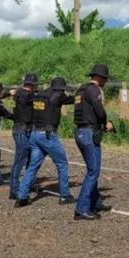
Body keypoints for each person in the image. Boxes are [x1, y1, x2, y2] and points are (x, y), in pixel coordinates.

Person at [16, 77, 76, 208]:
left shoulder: (38, 95)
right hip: (48, 135)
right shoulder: (57, 96)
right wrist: (82, 94)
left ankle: (21, 195)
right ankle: (65, 195)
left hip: (35, 134)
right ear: (59, 89)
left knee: (32, 167)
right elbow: (74, 100)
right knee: (62, 164)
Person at [73, 64, 115, 217]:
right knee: (93, 171)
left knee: (93, 169)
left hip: (81, 131)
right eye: (105, 78)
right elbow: (98, 109)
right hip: (89, 133)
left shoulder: (81, 90)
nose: (105, 81)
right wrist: (105, 123)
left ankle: (95, 202)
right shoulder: (94, 89)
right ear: (100, 77)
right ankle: (82, 208)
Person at [9, 73, 40, 200]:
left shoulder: (19, 94)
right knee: (21, 160)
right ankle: (15, 188)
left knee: (28, 158)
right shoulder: (29, 95)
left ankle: (27, 184)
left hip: (21, 129)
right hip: (23, 129)